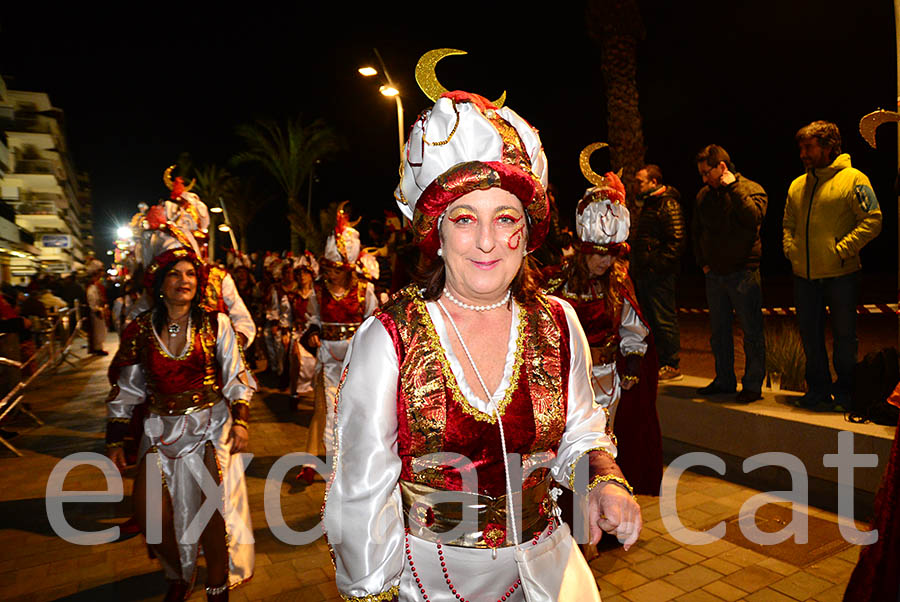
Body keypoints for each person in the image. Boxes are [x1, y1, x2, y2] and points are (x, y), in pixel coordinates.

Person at [322, 83, 641, 601]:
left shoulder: (559, 322)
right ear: (437, 234)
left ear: (528, 230)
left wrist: (602, 480)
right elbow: (361, 490)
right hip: (432, 580)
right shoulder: (389, 337)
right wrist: (372, 589)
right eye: (466, 219)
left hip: (549, 569)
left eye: (506, 218)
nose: (488, 241)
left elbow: (582, 430)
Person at [105, 234, 256, 602]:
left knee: (210, 515)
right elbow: (127, 389)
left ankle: (217, 584)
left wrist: (241, 419)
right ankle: (178, 573)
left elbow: (237, 376)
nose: (184, 280)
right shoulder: (139, 330)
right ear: (159, 283)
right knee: (152, 518)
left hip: (209, 425)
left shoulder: (215, 324)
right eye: (175, 274)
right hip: (159, 429)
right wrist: (114, 440)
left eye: (190, 273)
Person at [545, 163, 661, 496]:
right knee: (573, 449)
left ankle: (604, 511)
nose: (605, 263)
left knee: (606, 447)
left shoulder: (619, 282)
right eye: (598, 255)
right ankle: (574, 517)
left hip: (610, 381)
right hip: (570, 385)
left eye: (610, 256)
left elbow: (632, 329)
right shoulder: (558, 283)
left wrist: (634, 361)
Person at [784, 121, 882, 411]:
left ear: (828, 147)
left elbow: (873, 219)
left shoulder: (854, 179)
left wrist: (843, 249)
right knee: (810, 338)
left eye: (809, 147)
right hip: (804, 276)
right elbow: (788, 224)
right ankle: (817, 390)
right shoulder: (798, 185)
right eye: (801, 147)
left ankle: (846, 393)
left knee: (844, 338)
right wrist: (791, 250)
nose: (803, 153)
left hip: (842, 275)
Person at [297, 206, 377, 484]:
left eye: (332, 268)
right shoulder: (318, 292)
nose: (327, 272)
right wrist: (313, 333)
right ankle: (335, 465)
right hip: (329, 359)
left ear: (345, 269)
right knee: (332, 411)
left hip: (358, 361)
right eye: (326, 267)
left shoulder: (365, 291)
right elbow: (312, 320)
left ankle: (359, 462)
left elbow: (374, 324)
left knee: (359, 410)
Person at [692, 144, 768, 403]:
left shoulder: (751, 189)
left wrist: (733, 188)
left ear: (721, 167)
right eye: (701, 174)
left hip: (743, 273)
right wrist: (703, 262)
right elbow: (696, 231)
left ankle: (752, 384)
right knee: (719, 332)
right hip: (715, 275)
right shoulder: (704, 195)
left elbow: (753, 218)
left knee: (752, 332)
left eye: (707, 173)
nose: (703, 179)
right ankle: (724, 380)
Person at [631, 164, 686, 382]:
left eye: (640, 181)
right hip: (646, 273)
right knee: (650, 319)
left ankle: (671, 364)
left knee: (663, 318)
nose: (636, 186)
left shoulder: (667, 204)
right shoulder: (649, 205)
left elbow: (676, 241)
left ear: (654, 182)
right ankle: (657, 361)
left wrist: (655, 265)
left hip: (659, 275)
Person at [86, 268, 110, 356]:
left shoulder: (95, 286)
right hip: (96, 311)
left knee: (101, 329)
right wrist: (97, 309)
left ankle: (99, 347)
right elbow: (92, 300)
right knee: (98, 330)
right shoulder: (91, 288)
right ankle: (97, 348)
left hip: (99, 310)